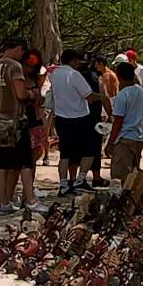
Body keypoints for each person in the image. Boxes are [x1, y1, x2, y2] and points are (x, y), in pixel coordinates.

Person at [0, 38, 46, 214]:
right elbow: (21, 94)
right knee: (25, 162)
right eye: (23, 51)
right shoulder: (14, 67)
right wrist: (32, 94)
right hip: (15, 120)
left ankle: (4, 203)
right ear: (18, 48)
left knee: (3, 164)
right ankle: (30, 200)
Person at [50, 49, 102, 196]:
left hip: (61, 118)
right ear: (73, 60)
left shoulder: (55, 74)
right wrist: (102, 97)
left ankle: (63, 184)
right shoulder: (74, 75)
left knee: (65, 154)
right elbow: (89, 96)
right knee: (90, 150)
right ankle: (81, 179)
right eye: (77, 60)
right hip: (79, 118)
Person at [104, 63, 143, 182]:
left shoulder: (123, 95)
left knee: (120, 175)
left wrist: (110, 142)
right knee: (133, 172)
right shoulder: (140, 91)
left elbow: (118, 121)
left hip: (125, 137)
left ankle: (122, 198)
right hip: (138, 135)